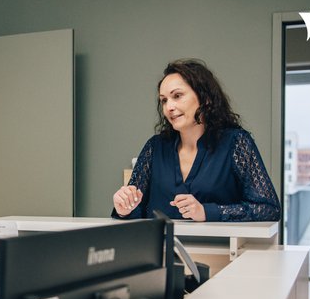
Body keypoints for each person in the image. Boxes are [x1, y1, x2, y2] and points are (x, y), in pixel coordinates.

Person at [112, 59, 280, 222]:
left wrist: (207, 212)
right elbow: (136, 209)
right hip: (158, 249)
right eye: (164, 100)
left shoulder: (236, 142)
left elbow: (268, 208)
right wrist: (124, 209)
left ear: (205, 98)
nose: (169, 107)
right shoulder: (154, 147)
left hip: (220, 249)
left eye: (177, 96)